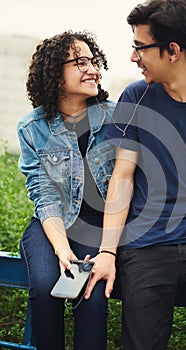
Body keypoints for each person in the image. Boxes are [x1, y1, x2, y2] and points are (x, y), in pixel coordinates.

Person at [85, 1, 186, 349]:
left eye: (140, 47)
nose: (134, 57)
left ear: (173, 50)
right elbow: (122, 177)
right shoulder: (137, 97)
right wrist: (108, 252)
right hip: (147, 246)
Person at [17, 30, 117, 350]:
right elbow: (44, 195)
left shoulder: (119, 118)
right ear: (54, 73)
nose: (93, 69)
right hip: (52, 227)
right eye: (81, 62)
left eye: (94, 60)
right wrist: (62, 249)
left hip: (102, 230)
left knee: (91, 297)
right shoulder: (32, 128)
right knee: (47, 286)